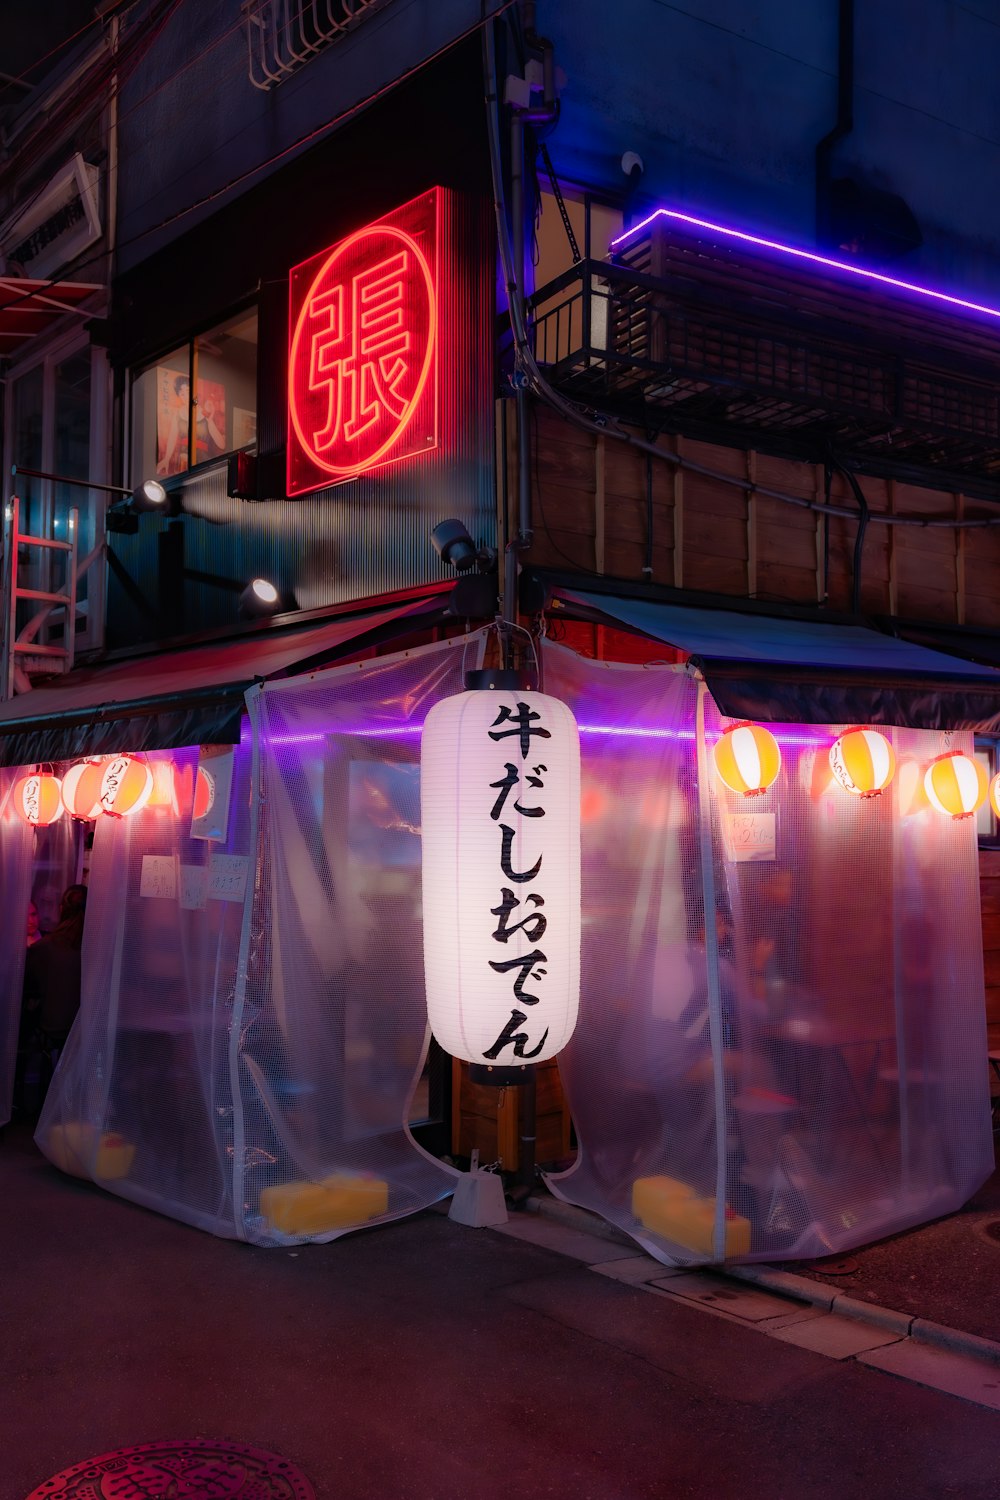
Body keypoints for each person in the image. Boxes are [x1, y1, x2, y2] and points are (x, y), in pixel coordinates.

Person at [22, 884, 88, 1052]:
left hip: (53, 1027)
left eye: (34, 915)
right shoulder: (97, 947)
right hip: (84, 1028)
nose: (31, 921)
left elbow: (26, 987)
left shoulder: (45, 946)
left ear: (61, 909)